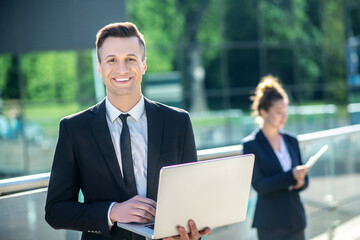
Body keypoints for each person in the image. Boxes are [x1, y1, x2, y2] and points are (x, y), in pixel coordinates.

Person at [45, 22, 211, 240]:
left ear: (143, 65)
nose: (121, 69)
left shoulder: (178, 121)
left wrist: (189, 232)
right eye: (111, 60)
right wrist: (111, 212)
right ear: (100, 67)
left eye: (130, 59)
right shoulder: (74, 129)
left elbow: (191, 195)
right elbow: (56, 211)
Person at [242, 75, 309, 240]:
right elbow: (259, 185)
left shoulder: (291, 140)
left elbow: (304, 181)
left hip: (296, 220)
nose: (284, 117)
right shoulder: (251, 144)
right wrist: (291, 176)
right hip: (270, 224)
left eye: (285, 112)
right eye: (279, 112)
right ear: (263, 112)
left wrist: (301, 181)